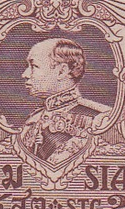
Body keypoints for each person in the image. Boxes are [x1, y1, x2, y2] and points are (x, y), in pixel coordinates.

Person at [16, 37, 112, 167]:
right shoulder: (34, 117)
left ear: (62, 71)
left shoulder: (100, 118)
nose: (25, 74)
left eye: (34, 66)